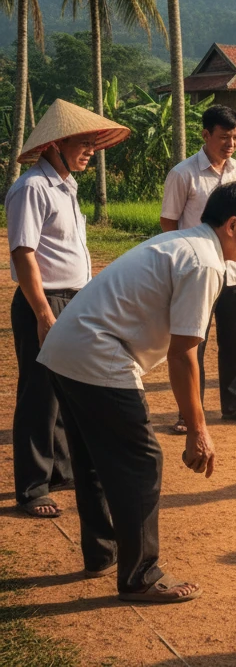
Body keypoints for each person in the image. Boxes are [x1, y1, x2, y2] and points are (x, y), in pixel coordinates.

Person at [38, 182, 236, 602]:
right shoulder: (204, 263)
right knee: (141, 462)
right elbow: (184, 354)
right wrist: (198, 429)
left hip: (66, 349)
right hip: (96, 354)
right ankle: (140, 575)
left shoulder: (186, 244)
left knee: (91, 459)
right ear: (233, 225)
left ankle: (102, 554)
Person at [5, 99, 129, 519]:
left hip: (74, 298)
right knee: (39, 392)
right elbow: (24, 255)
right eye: (83, 142)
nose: (91, 150)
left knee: (65, 388)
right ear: (56, 143)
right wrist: (43, 313)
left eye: (94, 143)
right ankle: (32, 486)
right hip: (46, 299)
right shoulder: (32, 187)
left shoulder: (65, 185)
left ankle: (59, 470)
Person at [160, 105, 236, 430]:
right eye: (224, 137)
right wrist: (180, 263)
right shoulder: (183, 173)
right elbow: (169, 221)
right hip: (198, 272)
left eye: (235, 137)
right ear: (205, 135)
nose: (230, 143)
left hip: (235, 272)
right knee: (194, 342)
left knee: (235, 341)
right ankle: (189, 413)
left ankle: (234, 405)